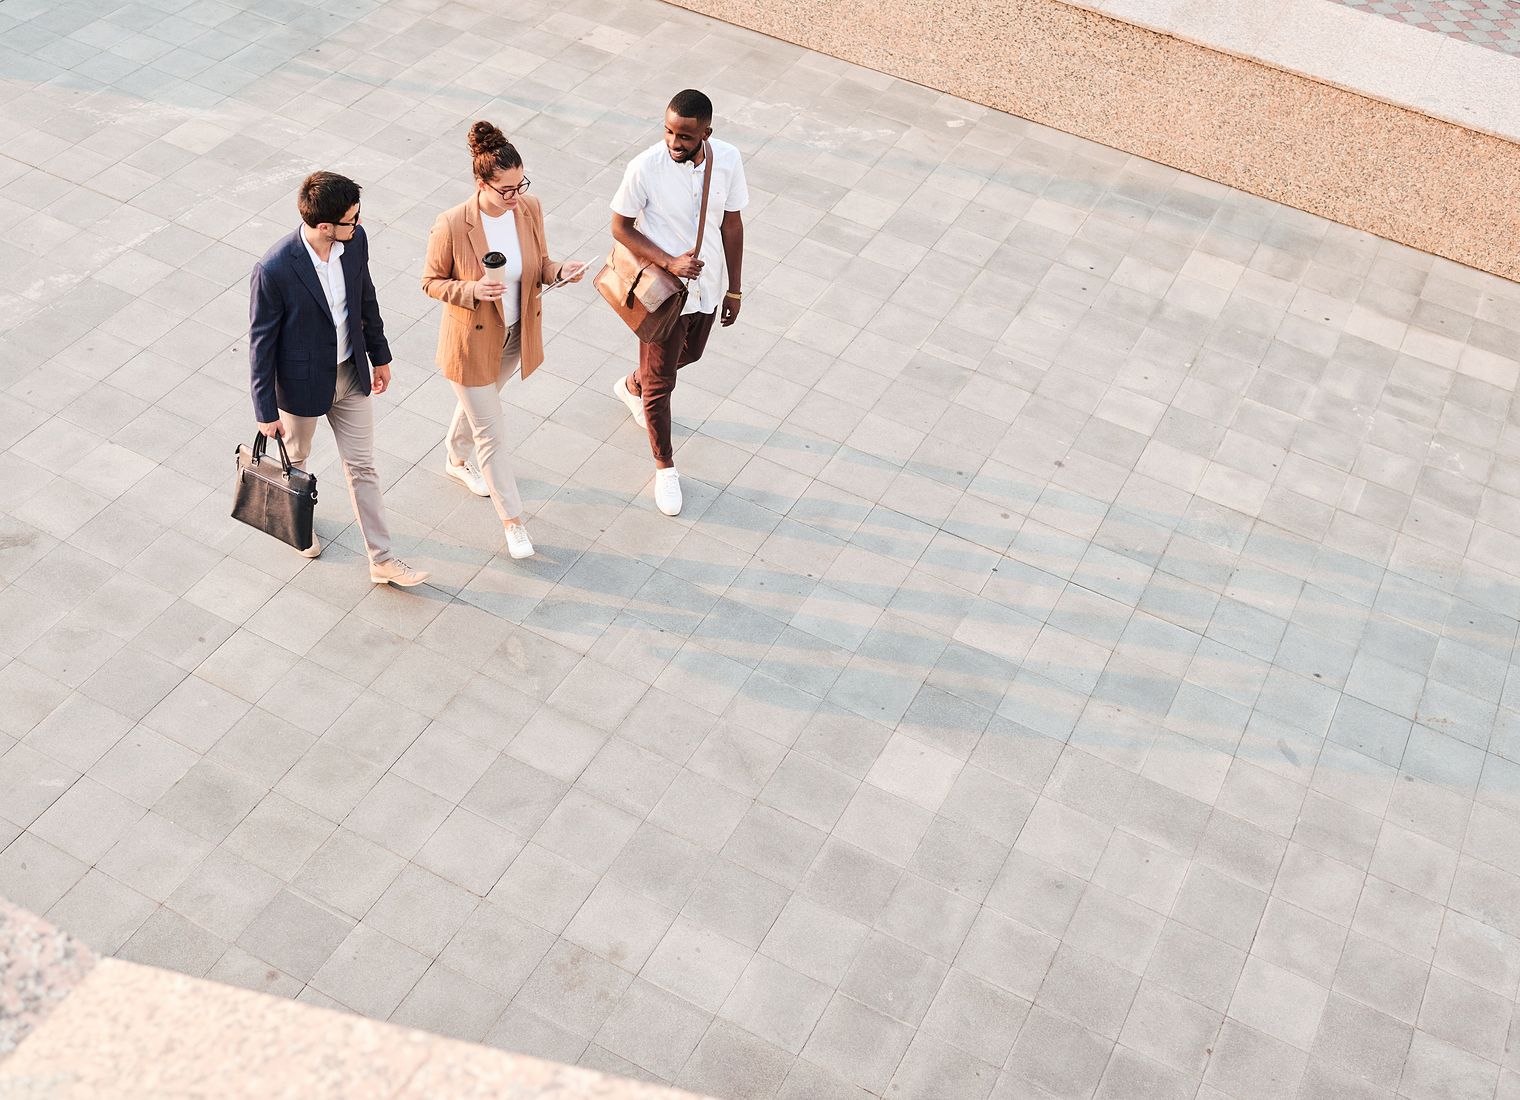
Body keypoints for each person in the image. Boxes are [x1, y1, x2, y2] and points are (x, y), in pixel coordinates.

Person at [248, 171, 428, 588]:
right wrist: (264, 410)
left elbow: (366, 296)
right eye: (352, 219)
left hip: (350, 375)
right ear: (324, 225)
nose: (359, 224)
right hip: (300, 387)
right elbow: (261, 344)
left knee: (363, 467)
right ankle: (298, 524)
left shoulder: (354, 242)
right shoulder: (274, 269)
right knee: (297, 461)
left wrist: (379, 356)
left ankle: (382, 560)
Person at [421, 121, 585, 558]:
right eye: (506, 190)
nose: (515, 197)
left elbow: (541, 263)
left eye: (520, 185)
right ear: (481, 183)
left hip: (515, 336)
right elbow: (430, 282)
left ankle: (454, 459)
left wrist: (558, 271)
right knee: (491, 434)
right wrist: (471, 290)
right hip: (471, 342)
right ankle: (513, 522)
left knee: (483, 405)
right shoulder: (453, 224)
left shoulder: (529, 208)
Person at [609, 89, 748, 516]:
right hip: (661, 295)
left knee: (691, 354)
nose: (674, 142)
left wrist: (735, 288)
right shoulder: (645, 167)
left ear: (706, 132)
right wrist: (669, 261)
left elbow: (732, 223)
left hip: (707, 289)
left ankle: (633, 384)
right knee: (661, 386)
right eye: (668, 131)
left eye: (685, 136)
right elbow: (620, 226)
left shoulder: (727, 159)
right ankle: (664, 466)